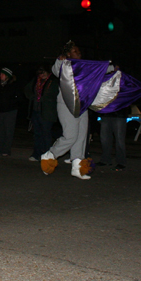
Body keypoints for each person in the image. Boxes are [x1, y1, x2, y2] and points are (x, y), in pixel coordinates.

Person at [40, 41, 92, 180]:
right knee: (71, 136)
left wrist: (110, 67)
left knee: (81, 136)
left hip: (82, 103)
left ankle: (77, 166)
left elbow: (97, 73)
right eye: (75, 51)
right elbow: (56, 70)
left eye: (79, 51)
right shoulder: (64, 64)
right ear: (68, 54)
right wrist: (59, 60)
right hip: (67, 103)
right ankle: (50, 154)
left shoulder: (83, 67)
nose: (78, 53)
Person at [24, 65, 59, 162]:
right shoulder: (36, 81)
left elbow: (56, 94)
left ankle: (47, 155)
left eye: (43, 72)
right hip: (36, 111)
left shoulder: (53, 81)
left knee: (46, 134)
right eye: (40, 73)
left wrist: (45, 99)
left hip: (47, 112)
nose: (42, 75)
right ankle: (36, 153)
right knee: (37, 134)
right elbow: (27, 89)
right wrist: (31, 96)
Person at [0, 67, 19, 157]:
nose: (0, 75)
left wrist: (10, 104)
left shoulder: (13, 85)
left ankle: (6, 149)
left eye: (3, 74)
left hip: (10, 111)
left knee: (8, 130)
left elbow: (17, 97)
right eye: (1, 74)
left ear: (7, 76)